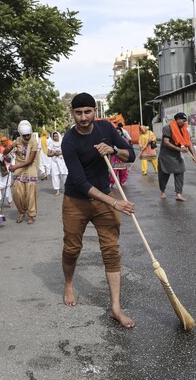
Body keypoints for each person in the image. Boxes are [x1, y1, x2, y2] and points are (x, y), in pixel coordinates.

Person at [61, 92, 136, 329]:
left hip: (104, 198)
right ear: (72, 114)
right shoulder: (69, 141)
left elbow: (130, 154)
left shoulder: (106, 128)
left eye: (87, 112)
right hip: (76, 200)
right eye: (78, 113)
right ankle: (69, 284)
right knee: (72, 248)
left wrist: (113, 149)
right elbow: (82, 183)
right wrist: (114, 203)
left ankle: (115, 307)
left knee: (111, 251)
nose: (83, 117)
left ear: (95, 111)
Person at [158, 112, 196, 201]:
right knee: (164, 175)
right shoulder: (167, 128)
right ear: (177, 120)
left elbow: (189, 143)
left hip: (177, 156)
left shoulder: (184, 129)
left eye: (185, 121)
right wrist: (179, 149)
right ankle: (163, 191)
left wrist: (194, 157)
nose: (184, 122)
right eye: (183, 120)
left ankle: (178, 194)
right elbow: (166, 142)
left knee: (180, 172)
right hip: (166, 156)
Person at [5, 120, 39, 224]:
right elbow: (5, 152)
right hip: (18, 168)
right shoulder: (17, 140)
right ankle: (21, 212)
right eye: (25, 136)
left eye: (28, 135)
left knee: (30, 193)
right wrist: (11, 146)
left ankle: (31, 215)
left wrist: (15, 167)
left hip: (30, 168)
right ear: (20, 134)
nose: (27, 137)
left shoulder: (34, 142)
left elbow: (30, 160)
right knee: (17, 193)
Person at [47, 131, 68, 196]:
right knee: (55, 175)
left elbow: (67, 151)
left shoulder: (63, 143)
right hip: (54, 161)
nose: (55, 137)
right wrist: (53, 154)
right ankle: (57, 190)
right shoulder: (51, 144)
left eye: (56, 136)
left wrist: (61, 153)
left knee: (64, 175)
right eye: (54, 136)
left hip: (62, 161)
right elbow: (48, 154)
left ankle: (66, 189)